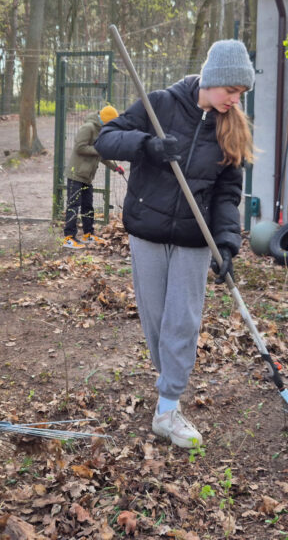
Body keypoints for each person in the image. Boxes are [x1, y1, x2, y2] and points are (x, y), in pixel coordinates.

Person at [95, 39, 254, 448]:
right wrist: (146, 147)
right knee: (156, 321)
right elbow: (106, 139)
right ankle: (166, 384)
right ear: (211, 79)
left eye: (241, 93)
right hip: (148, 231)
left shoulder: (230, 126)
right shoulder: (160, 105)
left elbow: (227, 195)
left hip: (194, 239)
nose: (235, 100)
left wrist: (226, 242)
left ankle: (167, 409)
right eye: (231, 90)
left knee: (182, 321)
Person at [62, 105, 125, 249]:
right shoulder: (89, 127)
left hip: (86, 175)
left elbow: (100, 154)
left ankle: (88, 234)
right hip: (76, 173)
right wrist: (99, 149)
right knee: (73, 205)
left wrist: (115, 167)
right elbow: (80, 147)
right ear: (106, 120)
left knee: (88, 205)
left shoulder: (101, 130)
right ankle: (69, 238)